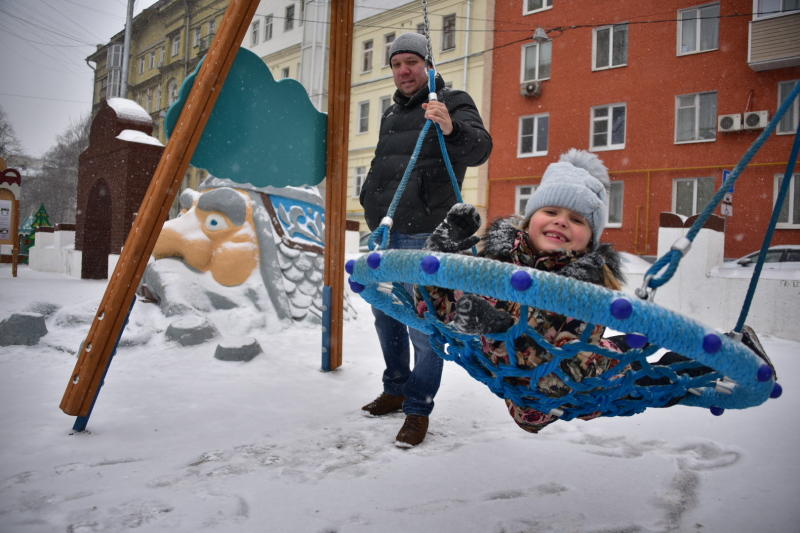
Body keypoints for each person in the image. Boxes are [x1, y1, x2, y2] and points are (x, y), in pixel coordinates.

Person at [419, 149, 627, 433]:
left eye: (577, 220)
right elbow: (438, 311)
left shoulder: (586, 288)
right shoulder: (498, 262)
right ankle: (623, 345)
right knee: (527, 408)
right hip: (514, 377)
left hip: (582, 380)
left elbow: (561, 368)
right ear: (529, 222)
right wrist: (439, 253)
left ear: (590, 241)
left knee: (635, 380)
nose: (561, 221)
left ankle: (634, 356)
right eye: (551, 211)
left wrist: (498, 325)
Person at [359, 32, 492, 447]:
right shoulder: (390, 114)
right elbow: (386, 165)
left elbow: (479, 149)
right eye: (397, 64)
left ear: (429, 66)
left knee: (423, 322)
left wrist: (450, 128)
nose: (403, 71)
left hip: (428, 233)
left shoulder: (452, 100)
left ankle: (418, 408)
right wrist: (369, 200)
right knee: (387, 315)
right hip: (388, 228)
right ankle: (396, 386)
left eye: (412, 62)